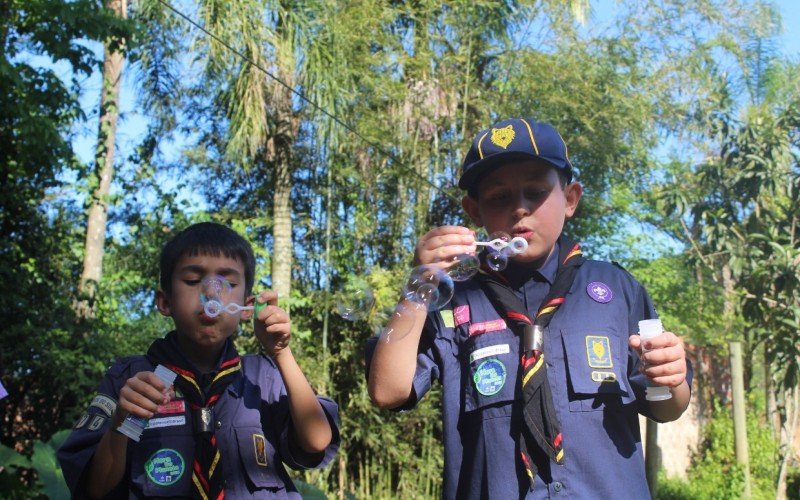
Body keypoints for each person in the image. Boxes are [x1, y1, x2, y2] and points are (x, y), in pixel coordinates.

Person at [366, 118, 692, 499]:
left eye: (535, 191)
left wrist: (671, 378)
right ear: (475, 212)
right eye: (499, 198)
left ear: (570, 199)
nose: (519, 208)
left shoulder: (618, 290)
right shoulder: (452, 298)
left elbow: (667, 408)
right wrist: (418, 286)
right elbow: (388, 391)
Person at [58, 222, 339, 499]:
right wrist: (123, 421)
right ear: (165, 302)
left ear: (247, 308)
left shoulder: (261, 375)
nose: (211, 293)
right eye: (193, 281)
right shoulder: (135, 380)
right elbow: (97, 490)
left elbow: (316, 441)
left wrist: (281, 353)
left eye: (228, 283)